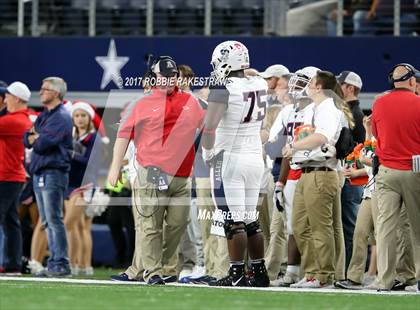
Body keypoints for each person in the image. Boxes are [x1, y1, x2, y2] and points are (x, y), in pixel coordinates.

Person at [108, 56, 205, 285]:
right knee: (150, 225)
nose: (169, 80)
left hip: (182, 175)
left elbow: (208, 129)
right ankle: (152, 272)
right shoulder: (141, 103)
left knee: (177, 225)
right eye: (164, 76)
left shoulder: (191, 102)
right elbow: (123, 136)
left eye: (172, 75)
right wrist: (114, 167)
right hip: (151, 171)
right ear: (155, 77)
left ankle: (165, 267)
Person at [202, 40, 269, 287]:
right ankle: (259, 272)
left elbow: (209, 127)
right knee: (250, 219)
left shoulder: (223, 89)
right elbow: (251, 74)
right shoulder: (260, 83)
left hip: (229, 158)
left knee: (233, 220)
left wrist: (207, 153)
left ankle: (237, 273)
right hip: (254, 158)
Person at [282, 71, 354, 288]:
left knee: (320, 227)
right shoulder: (313, 109)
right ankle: (312, 272)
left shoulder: (329, 109)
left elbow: (322, 137)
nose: (307, 86)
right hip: (306, 172)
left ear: (320, 87)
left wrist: (294, 146)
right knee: (300, 226)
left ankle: (324, 275)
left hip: (322, 172)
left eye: (312, 83)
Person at [267, 66, 319, 286]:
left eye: (302, 82)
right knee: (292, 225)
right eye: (296, 81)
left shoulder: (321, 109)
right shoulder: (288, 111)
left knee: (316, 225)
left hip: (315, 170)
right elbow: (279, 147)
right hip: (292, 170)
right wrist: (280, 182)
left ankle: (319, 272)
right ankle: (292, 271)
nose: (296, 87)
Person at [371, 63, 420, 291]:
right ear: (412, 81)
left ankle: (384, 281)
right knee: (417, 228)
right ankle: (417, 278)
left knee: (386, 229)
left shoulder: (379, 103)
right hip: (414, 171)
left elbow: (376, 135)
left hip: (387, 172)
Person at [23, 77, 73, 277]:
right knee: (46, 220)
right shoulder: (46, 115)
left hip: (53, 172)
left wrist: (36, 138)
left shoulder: (61, 116)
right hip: (41, 172)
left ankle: (60, 262)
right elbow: (27, 139)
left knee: (53, 219)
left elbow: (43, 144)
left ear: (57, 93)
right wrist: (35, 138)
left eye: (45, 89)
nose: (41, 91)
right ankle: (54, 262)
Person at [64, 101, 100, 275]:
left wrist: (71, 154)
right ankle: (83, 266)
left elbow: (90, 162)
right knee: (79, 227)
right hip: (70, 184)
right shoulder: (72, 137)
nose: (79, 119)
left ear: (89, 118)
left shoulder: (94, 138)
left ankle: (72, 264)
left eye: (83, 115)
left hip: (85, 185)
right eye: (76, 115)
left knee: (69, 224)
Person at [0, 82, 32, 275]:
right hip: (11, 176)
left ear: (17, 99)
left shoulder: (15, 121)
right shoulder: (17, 119)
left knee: (9, 221)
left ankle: (12, 263)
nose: (5, 100)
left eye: (8, 96)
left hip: (7, 177)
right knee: (11, 221)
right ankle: (12, 265)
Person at [337, 70, 366, 270]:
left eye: (340, 85)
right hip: (349, 177)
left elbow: (360, 148)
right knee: (347, 226)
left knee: (350, 227)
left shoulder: (354, 113)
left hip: (351, 178)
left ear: (350, 88)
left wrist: (353, 170)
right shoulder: (349, 111)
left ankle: (350, 271)